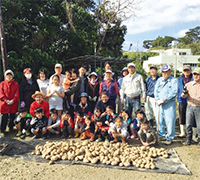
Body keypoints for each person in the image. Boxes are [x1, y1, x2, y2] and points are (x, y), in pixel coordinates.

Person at [154, 64, 178, 145]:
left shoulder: (174, 80)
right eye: (163, 72)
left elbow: (174, 92)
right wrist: (157, 99)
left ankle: (170, 137)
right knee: (159, 120)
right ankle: (161, 135)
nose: (164, 74)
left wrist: (164, 99)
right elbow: (156, 90)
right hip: (159, 103)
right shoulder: (159, 80)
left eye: (166, 72)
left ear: (170, 72)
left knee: (170, 121)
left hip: (169, 104)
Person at [182, 67, 200, 146]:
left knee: (199, 125)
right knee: (188, 124)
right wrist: (184, 93)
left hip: (198, 107)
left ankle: (199, 139)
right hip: (190, 106)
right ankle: (188, 139)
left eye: (197, 74)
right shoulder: (188, 85)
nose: (195, 76)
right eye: (194, 74)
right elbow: (183, 96)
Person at [0, 70, 19, 136]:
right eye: (7, 75)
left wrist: (13, 100)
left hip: (13, 103)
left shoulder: (15, 84)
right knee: (4, 116)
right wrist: (6, 100)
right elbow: (1, 93)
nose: (9, 76)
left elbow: (17, 93)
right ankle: (3, 129)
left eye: (10, 75)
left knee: (12, 116)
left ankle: (11, 128)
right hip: (4, 103)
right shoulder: (2, 83)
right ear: (5, 76)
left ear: (12, 76)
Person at [177, 65, 194, 139]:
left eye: (188, 70)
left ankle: (192, 133)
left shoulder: (194, 78)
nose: (186, 72)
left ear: (190, 71)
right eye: (185, 70)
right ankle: (182, 132)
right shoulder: (179, 79)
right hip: (182, 100)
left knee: (192, 116)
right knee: (182, 115)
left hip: (192, 100)